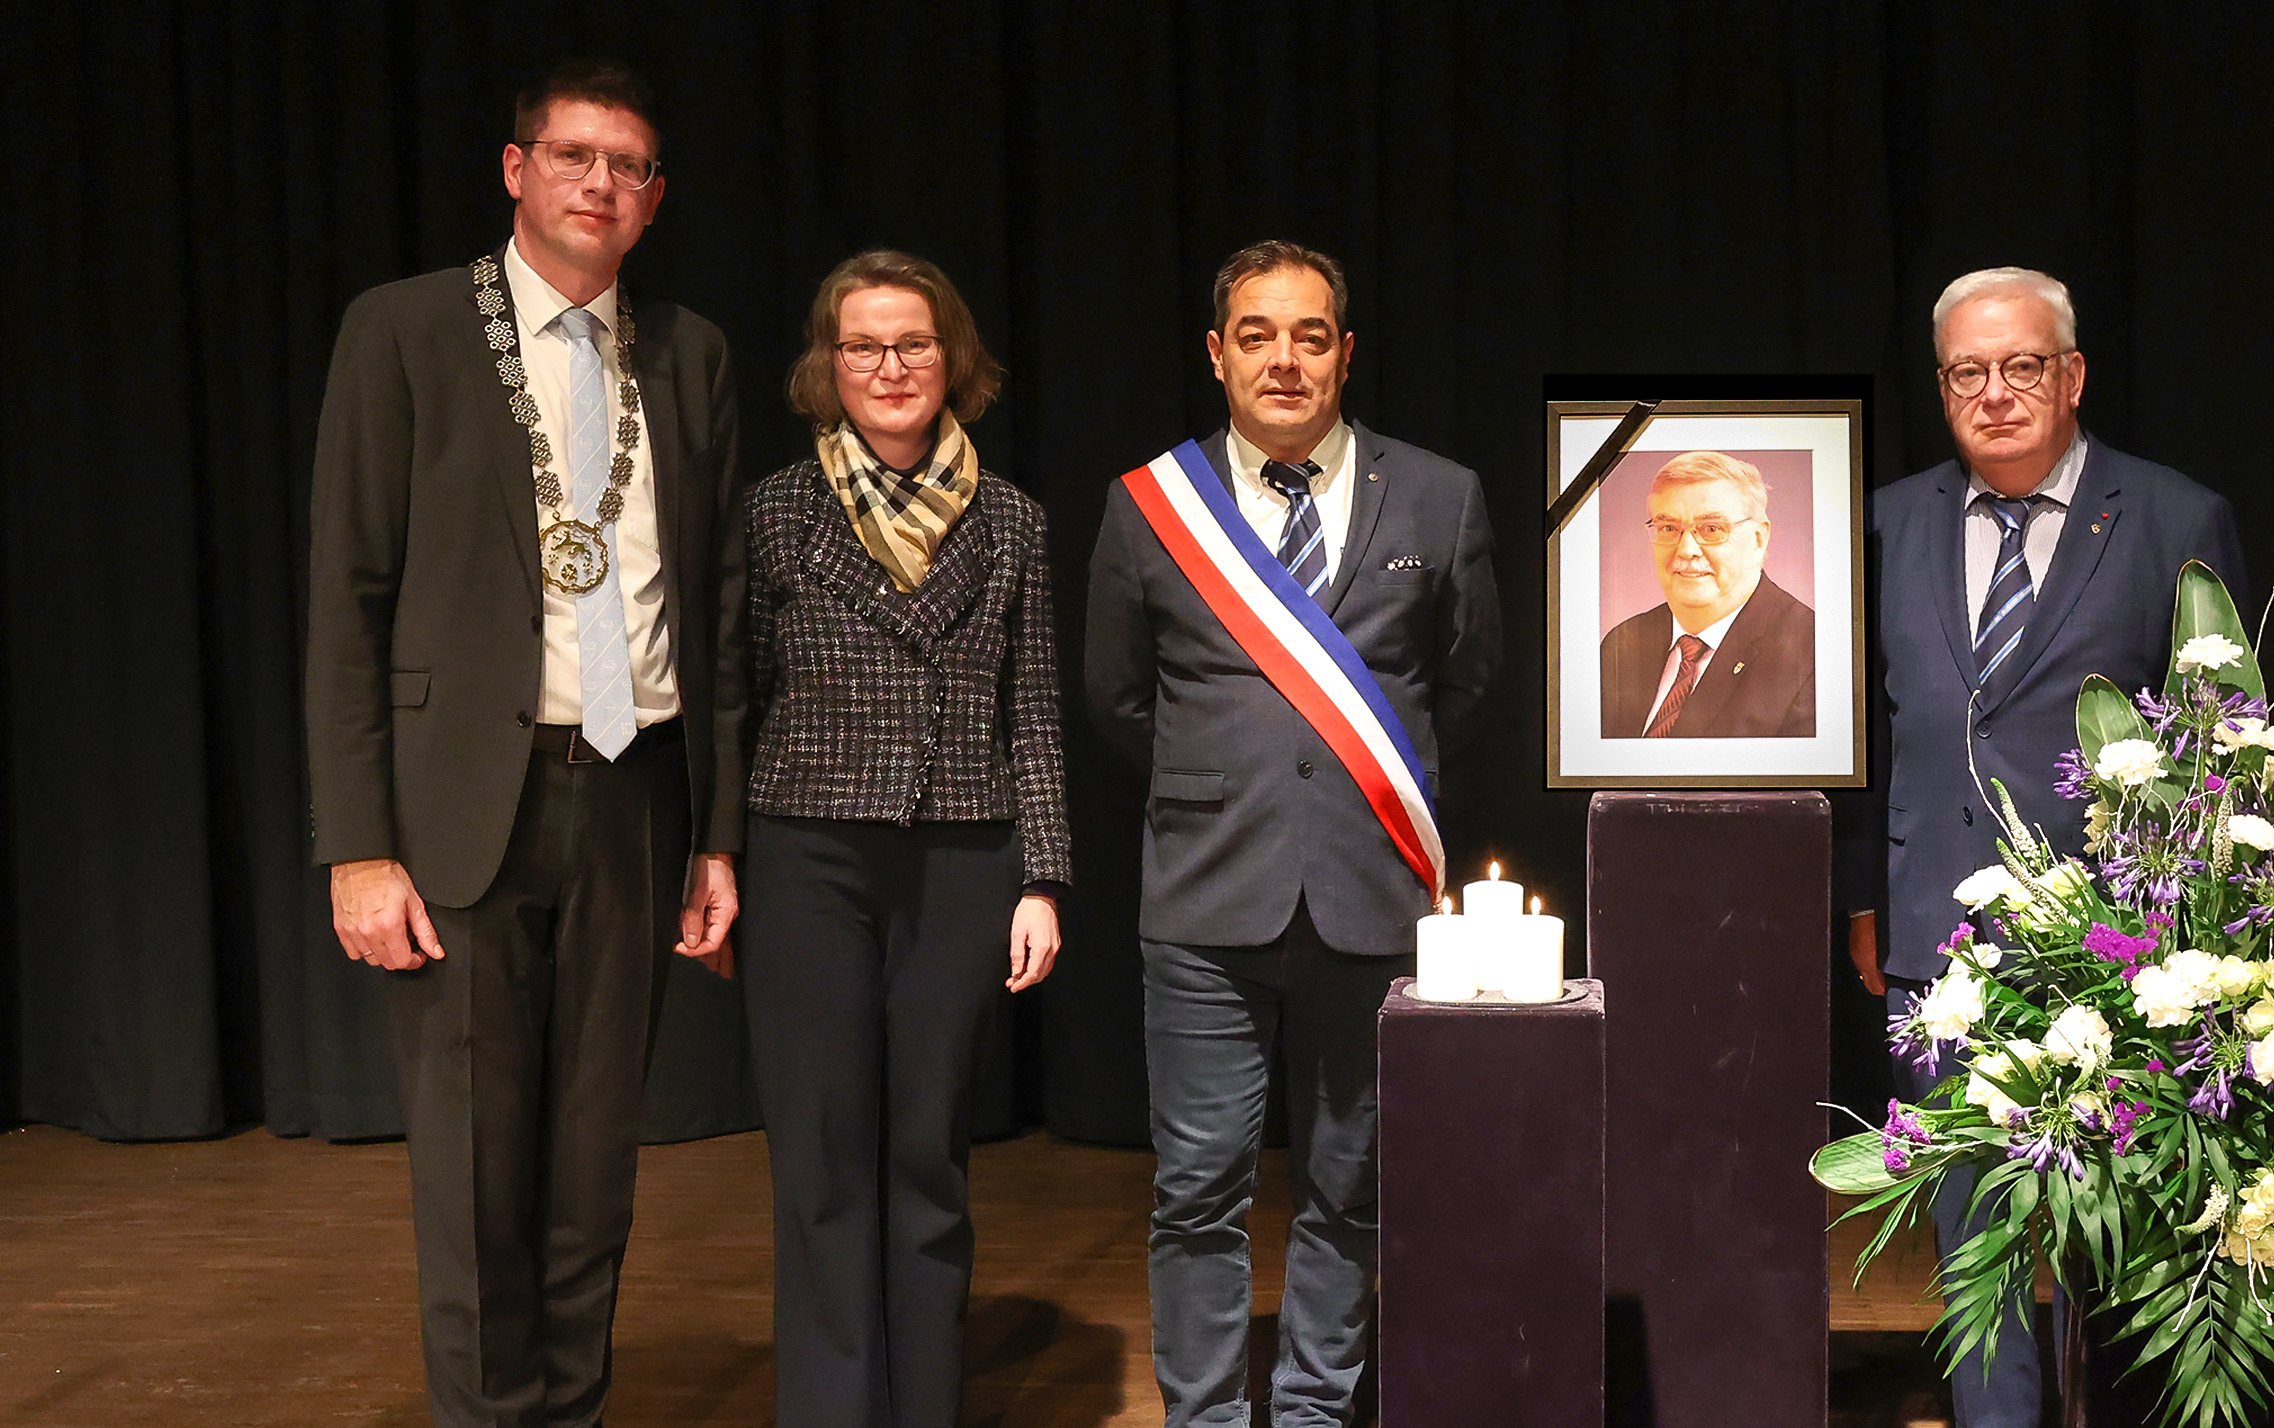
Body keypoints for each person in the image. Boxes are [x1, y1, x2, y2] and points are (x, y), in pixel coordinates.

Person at [304, 60, 743, 1427]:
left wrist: (718, 834)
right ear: (516, 169)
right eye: (574, 156)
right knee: (479, 1166)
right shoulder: (407, 331)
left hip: (636, 792)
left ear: (654, 198)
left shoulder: (691, 350)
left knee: (594, 1162)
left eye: (627, 167)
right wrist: (359, 849)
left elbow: (718, 603)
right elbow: (346, 603)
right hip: (459, 810)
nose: (599, 183)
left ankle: (573, 1409)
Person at [1082, 240, 1501, 1428]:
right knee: (1199, 1189)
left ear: (1345, 352)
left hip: (1373, 894)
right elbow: (1118, 697)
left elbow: (1466, 687)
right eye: (1256, 335)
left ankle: (1315, 1409)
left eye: (1309, 336)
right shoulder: (1148, 503)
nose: (1284, 360)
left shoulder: (1439, 494)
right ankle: (1206, 1415)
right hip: (1208, 899)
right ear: (1216, 355)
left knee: (1351, 1183)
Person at [1841, 267, 2243, 1428]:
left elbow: (2223, 737)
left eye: (2023, 367)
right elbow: (1868, 736)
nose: (1997, 394)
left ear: (2072, 376)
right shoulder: (1886, 519)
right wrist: (1867, 896)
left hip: (2122, 947)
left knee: (2126, 1236)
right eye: (1970, 371)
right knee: (1978, 1247)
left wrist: (2196, 924)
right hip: (1937, 940)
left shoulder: (2173, 515)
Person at [738, 250, 1071, 1427]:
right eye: (864, 345)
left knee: (928, 1156)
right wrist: (713, 865)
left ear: (953, 360)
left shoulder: (1015, 520)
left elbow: (1031, 706)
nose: (890, 366)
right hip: (806, 855)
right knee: (822, 1162)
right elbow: (740, 695)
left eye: (914, 343)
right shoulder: (776, 510)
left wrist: (1042, 876)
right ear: (830, 366)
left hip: (962, 859)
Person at [1597, 449, 1818, 737]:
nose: (1686, 550)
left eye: (1711, 528)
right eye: (1668, 527)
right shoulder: (1621, 645)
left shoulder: (1814, 653)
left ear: (1758, 538)